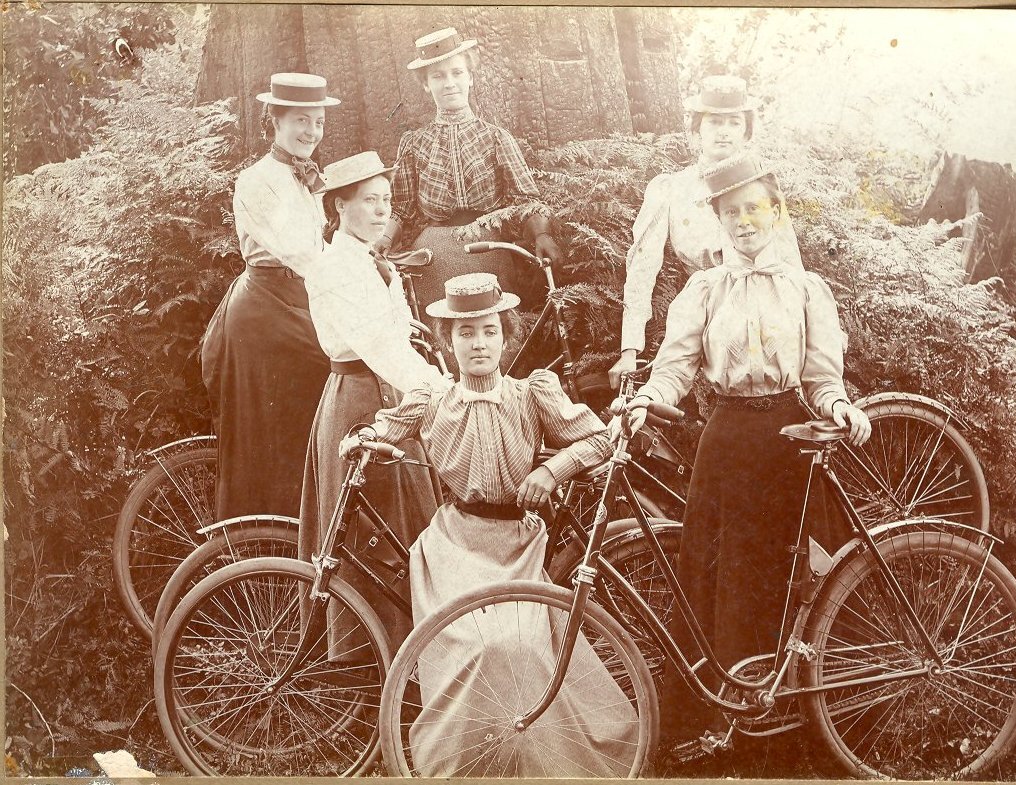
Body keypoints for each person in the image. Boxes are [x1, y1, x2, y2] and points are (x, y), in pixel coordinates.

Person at [618, 156, 872, 767]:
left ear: (777, 213)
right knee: (715, 577)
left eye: (754, 208)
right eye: (730, 212)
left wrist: (838, 407)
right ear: (719, 222)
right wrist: (650, 398)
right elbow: (676, 364)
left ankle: (795, 722)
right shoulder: (704, 289)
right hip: (727, 440)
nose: (743, 222)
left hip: (789, 443)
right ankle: (721, 721)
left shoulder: (806, 289)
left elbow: (820, 375)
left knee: (789, 580)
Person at [341, 273, 637, 776]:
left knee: (518, 646)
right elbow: (385, 426)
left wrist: (552, 469)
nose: (478, 344)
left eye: (489, 331)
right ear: (448, 341)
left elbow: (601, 440)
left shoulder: (532, 394)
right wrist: (363, 437)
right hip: (454, 545)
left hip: (517, 545)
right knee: (472, 648)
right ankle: (469, 765)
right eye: (465, 333)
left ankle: (531, 758)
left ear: (506, 335)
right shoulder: (432, 400)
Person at [300, 151, 452, 651]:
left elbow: (397, 334)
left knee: (403, 523)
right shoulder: (336, 268)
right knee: (368, 531)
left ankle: (414, 652)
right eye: (369, 201)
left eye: (386, 200)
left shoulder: (370, 262)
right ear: (339, 208)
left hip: (391, 396)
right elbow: (379, 347)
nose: (381, 210)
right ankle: (366, 662)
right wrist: (440, 391)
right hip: (360, 402)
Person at [201, 72, 339, 521]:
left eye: (317, 123)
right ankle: (257, 545)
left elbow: (317, 248)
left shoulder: (307, 179)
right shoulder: (256, 181)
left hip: (297, 300)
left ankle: (309, 536)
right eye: (301, 120)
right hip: (263, 311)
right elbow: (297, 249)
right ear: (274, 121)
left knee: (307, 414)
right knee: (267, 430)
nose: (310, 133)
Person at [608, 75, 803, 388]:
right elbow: (642, 269)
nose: (724, 132)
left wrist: (809, 321)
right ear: (697, 129)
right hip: (707, 316)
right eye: (714, 122)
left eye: (734, 123)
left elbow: (790, 262)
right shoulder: (671, 189)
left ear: (747, 131)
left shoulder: (763, 189)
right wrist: (630, 349)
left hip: (769, 315)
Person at [375, 27, 561, 308]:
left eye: (457, 73)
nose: (449, 83)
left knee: (494, 330)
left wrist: (543, 235)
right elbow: (402, 208)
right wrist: (384, 239)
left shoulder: (496, 137)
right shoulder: (414, 143)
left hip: (490, 248)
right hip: (434, 256)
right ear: (426, 85)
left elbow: (526, 200)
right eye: (437, 76)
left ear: (470, 77)